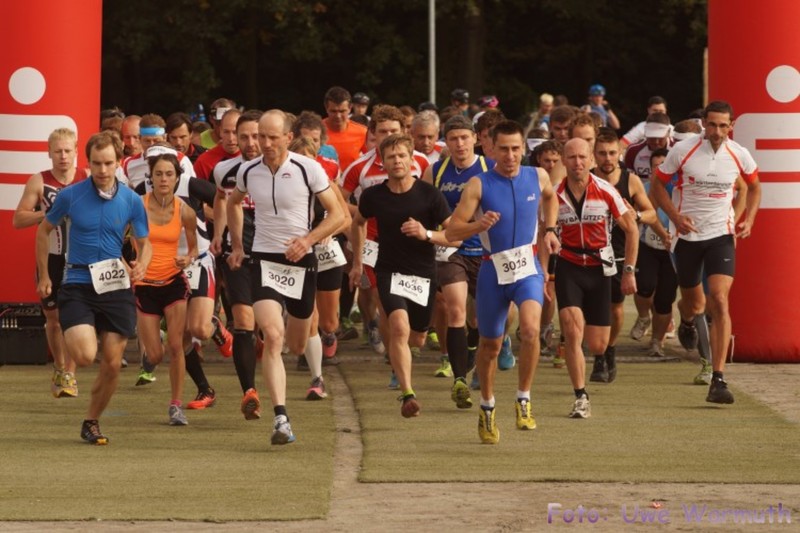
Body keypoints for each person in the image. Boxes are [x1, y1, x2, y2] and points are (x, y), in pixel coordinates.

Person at [227, 110, 344, 445]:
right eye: (259, 136)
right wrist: (238, 245)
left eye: (271, 137)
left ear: (288, 137)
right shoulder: (248, 170)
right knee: (273, 336)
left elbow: (338, 214)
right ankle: (281, 418)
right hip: (264, 260)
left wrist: (307, 240)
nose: (264, 143)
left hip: (301, 261)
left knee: (296, 344)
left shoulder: (309, 169)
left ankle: (303, 359)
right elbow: (233, 204)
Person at [446, 120, 559, 444]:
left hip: (527, 268)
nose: (510, 156)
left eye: (516, 149)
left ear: (523, 149)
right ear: (491, 149)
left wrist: (550, 229)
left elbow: (550, 198)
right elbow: (452, 231)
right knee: (491, 345)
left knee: (531, 330)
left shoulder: (537, 176)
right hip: (492, 272)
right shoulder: (478, 185)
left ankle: (523, 399)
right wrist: (478, 225)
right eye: (504, 149)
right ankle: (487, 406)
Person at [36, 131, 152, 445]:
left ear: (118, 163)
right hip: (77, 283)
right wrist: (44, 275)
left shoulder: (131, 200)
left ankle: (91, 421)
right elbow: (43, 231)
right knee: (86, 356)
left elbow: (145, 243)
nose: (102, 170)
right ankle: (67, 364)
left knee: (113, 364)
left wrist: (142, 263)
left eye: (108, 163)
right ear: (88, 162)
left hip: (115, 285)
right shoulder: (70, 195)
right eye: (97, 163)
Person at [650, 100, 761, 405]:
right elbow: (657, 186)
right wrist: (675, 217)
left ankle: (718, 378)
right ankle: (686, 319)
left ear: (731, 126)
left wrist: (749, 219)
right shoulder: (682, 151)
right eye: (712, 124)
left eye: (723, 126)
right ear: (703, 125)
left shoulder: (739, 153)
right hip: (687, 237)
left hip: (721, 235)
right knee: (694, 303)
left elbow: (754, 187)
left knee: (720, 300)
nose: (717, 131)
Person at [350, 133, 454, 418]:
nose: (397, 161)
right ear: (383, 163)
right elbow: (358, 223)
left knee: (417, 338)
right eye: (391, 157)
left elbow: (454, 234)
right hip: (388, 270)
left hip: (423, 273)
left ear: (412, 160)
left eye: (401, 156)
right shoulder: (373, 196)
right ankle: (408, 394)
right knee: (398, 326)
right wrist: (357, 261)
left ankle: (406, 356)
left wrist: (426, 233)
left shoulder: (429, 195)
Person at [555, 138, 638, 419]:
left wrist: (629, 271)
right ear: (563, 161)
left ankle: (602, 357)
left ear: (590, 160)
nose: (577, 163)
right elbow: (543, 232)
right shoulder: (554, 194)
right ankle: (580, 395)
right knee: (572, 329)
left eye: (582, 157)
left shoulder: (606, 191)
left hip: (600, 267)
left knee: (597, 344)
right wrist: (543, 272)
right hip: (569, 265)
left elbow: (632, 229)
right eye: (571, 157)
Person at [13, 128, 88, 398]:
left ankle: (70, 375)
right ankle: (59, 366)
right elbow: (18, 219)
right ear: (49, 153)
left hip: (80, 259)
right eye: (58, 151)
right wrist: (47, 213)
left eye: (68, 150)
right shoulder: (39, 181)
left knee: (76, 319)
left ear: (76, 151)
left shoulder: (87, 178)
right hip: (51, 259)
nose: (63, 156)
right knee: (54, 320)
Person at [421, 115, 490, 408]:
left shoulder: (490, 168)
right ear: (445, 143)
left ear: (475, 138)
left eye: (464, 137)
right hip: (451, 252)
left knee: (482, 320)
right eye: (453, 139)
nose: (460, 144)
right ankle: (460, 381)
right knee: (455, 311)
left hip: (486, 253)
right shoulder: (435, 171)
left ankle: (472, 346)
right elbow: (423, 208)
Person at [134, 153, 198, 425]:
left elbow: (194, 248)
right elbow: (117, 240)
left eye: (169, 174)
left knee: (176, 345)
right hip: (144, 285)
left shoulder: (185, 211)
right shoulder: (137, 205)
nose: (163, 179)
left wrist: (188, 259)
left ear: (177, 178)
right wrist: (129, 265)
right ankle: (151, 352)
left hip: (173, 282)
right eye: (158, 174)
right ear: (151, 177)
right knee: (156, 355)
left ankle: (176, 406)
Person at [210, 110, 264, 418]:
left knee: (271, 328)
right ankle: (249, 392)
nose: (250, 143)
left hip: (275, 254)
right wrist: (219, 234)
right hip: (238, 254)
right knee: (243, 321)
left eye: (256, 136)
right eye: (244, 137)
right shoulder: (224, 170)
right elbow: (220, 199)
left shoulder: (283, 170)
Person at [590, 131, 656, 381]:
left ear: (620, 153)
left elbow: (650, 213)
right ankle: (598, 357)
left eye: (611, 153)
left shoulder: (630, 180)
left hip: (618, 253)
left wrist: (635, 216)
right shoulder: (586, 179)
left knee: (615, 309)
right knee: (590, 308)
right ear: (594, 155)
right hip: (589, 252)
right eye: (602, 153)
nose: (607, 158)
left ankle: (610, 348)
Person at [322, 86, 368, 172]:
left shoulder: (362, 132)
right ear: (326, 108)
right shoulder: (316, 132)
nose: (338, 116)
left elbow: (372, 161)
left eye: (342, 111)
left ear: (350, 108)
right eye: (333, 111)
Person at [193, 108, 241, 180]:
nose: (231, 138)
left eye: (235, 132)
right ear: (220, 131)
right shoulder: (203, 162)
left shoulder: (253, 156)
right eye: (226, 132)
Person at [623, 112, 672, 182]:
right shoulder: (633, 150)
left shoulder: (677, 149)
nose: (656, 142)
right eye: (652, 137)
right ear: (645, 133)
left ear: (669, 132)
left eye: (660, 137)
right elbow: (627, 180)